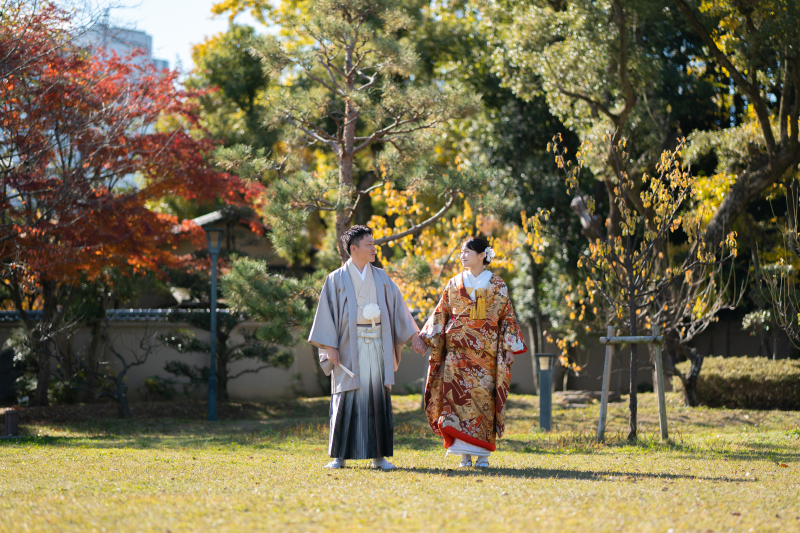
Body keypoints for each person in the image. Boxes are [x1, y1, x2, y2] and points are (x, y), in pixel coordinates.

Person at [308, 225, 427, 470]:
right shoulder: (336, 278)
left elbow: (399, 308)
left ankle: (378, 457)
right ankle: (339, 457)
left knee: (376, 399)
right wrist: (329, 346)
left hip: (376, 344)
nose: (374, 249)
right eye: (369, 245)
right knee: (346, 398)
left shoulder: (382, 278)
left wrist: (414, 335)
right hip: (347, 346)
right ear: (354, 249)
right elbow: (326, 314)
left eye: (374, 244)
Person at [418, 237, 528, 468]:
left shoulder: (497, 285)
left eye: (467, 251)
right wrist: (426, 337)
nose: (462, 256)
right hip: (456, 355)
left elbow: (507, 317)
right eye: (461, 252)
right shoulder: (453, 282)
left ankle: (483, 456)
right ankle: (464, 456)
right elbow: (441, 312)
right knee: (456, 402)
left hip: (485, 356)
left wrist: (508, 347)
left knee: (483, 401)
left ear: (481, 255)